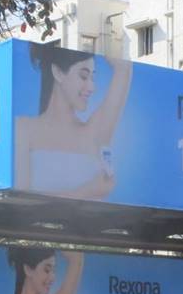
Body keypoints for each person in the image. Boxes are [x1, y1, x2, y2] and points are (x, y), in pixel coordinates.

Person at [15, 43, 133, 199]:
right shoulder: (23, 128)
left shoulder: (94, 132)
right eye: (83, 76)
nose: (91, 87)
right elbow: (21, 201)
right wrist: (86, 192)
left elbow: (124, 70)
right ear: (58, 72)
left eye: (93, 78)